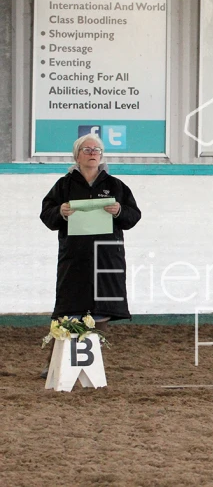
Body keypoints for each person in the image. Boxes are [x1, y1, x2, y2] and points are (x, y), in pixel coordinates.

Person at [39, 134, 141, 376]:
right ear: (77, 155)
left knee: (102, 306)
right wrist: (60, 211)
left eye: (97, 149)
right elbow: (47, 215)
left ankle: (91, 362)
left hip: (107, 257)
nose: (93, 152)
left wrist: (119, 210)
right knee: (69, 307)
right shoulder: (63, 186)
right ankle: (54, 363)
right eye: (87, 149)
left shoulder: (116, 185)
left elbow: (133, 216)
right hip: (74, 257)